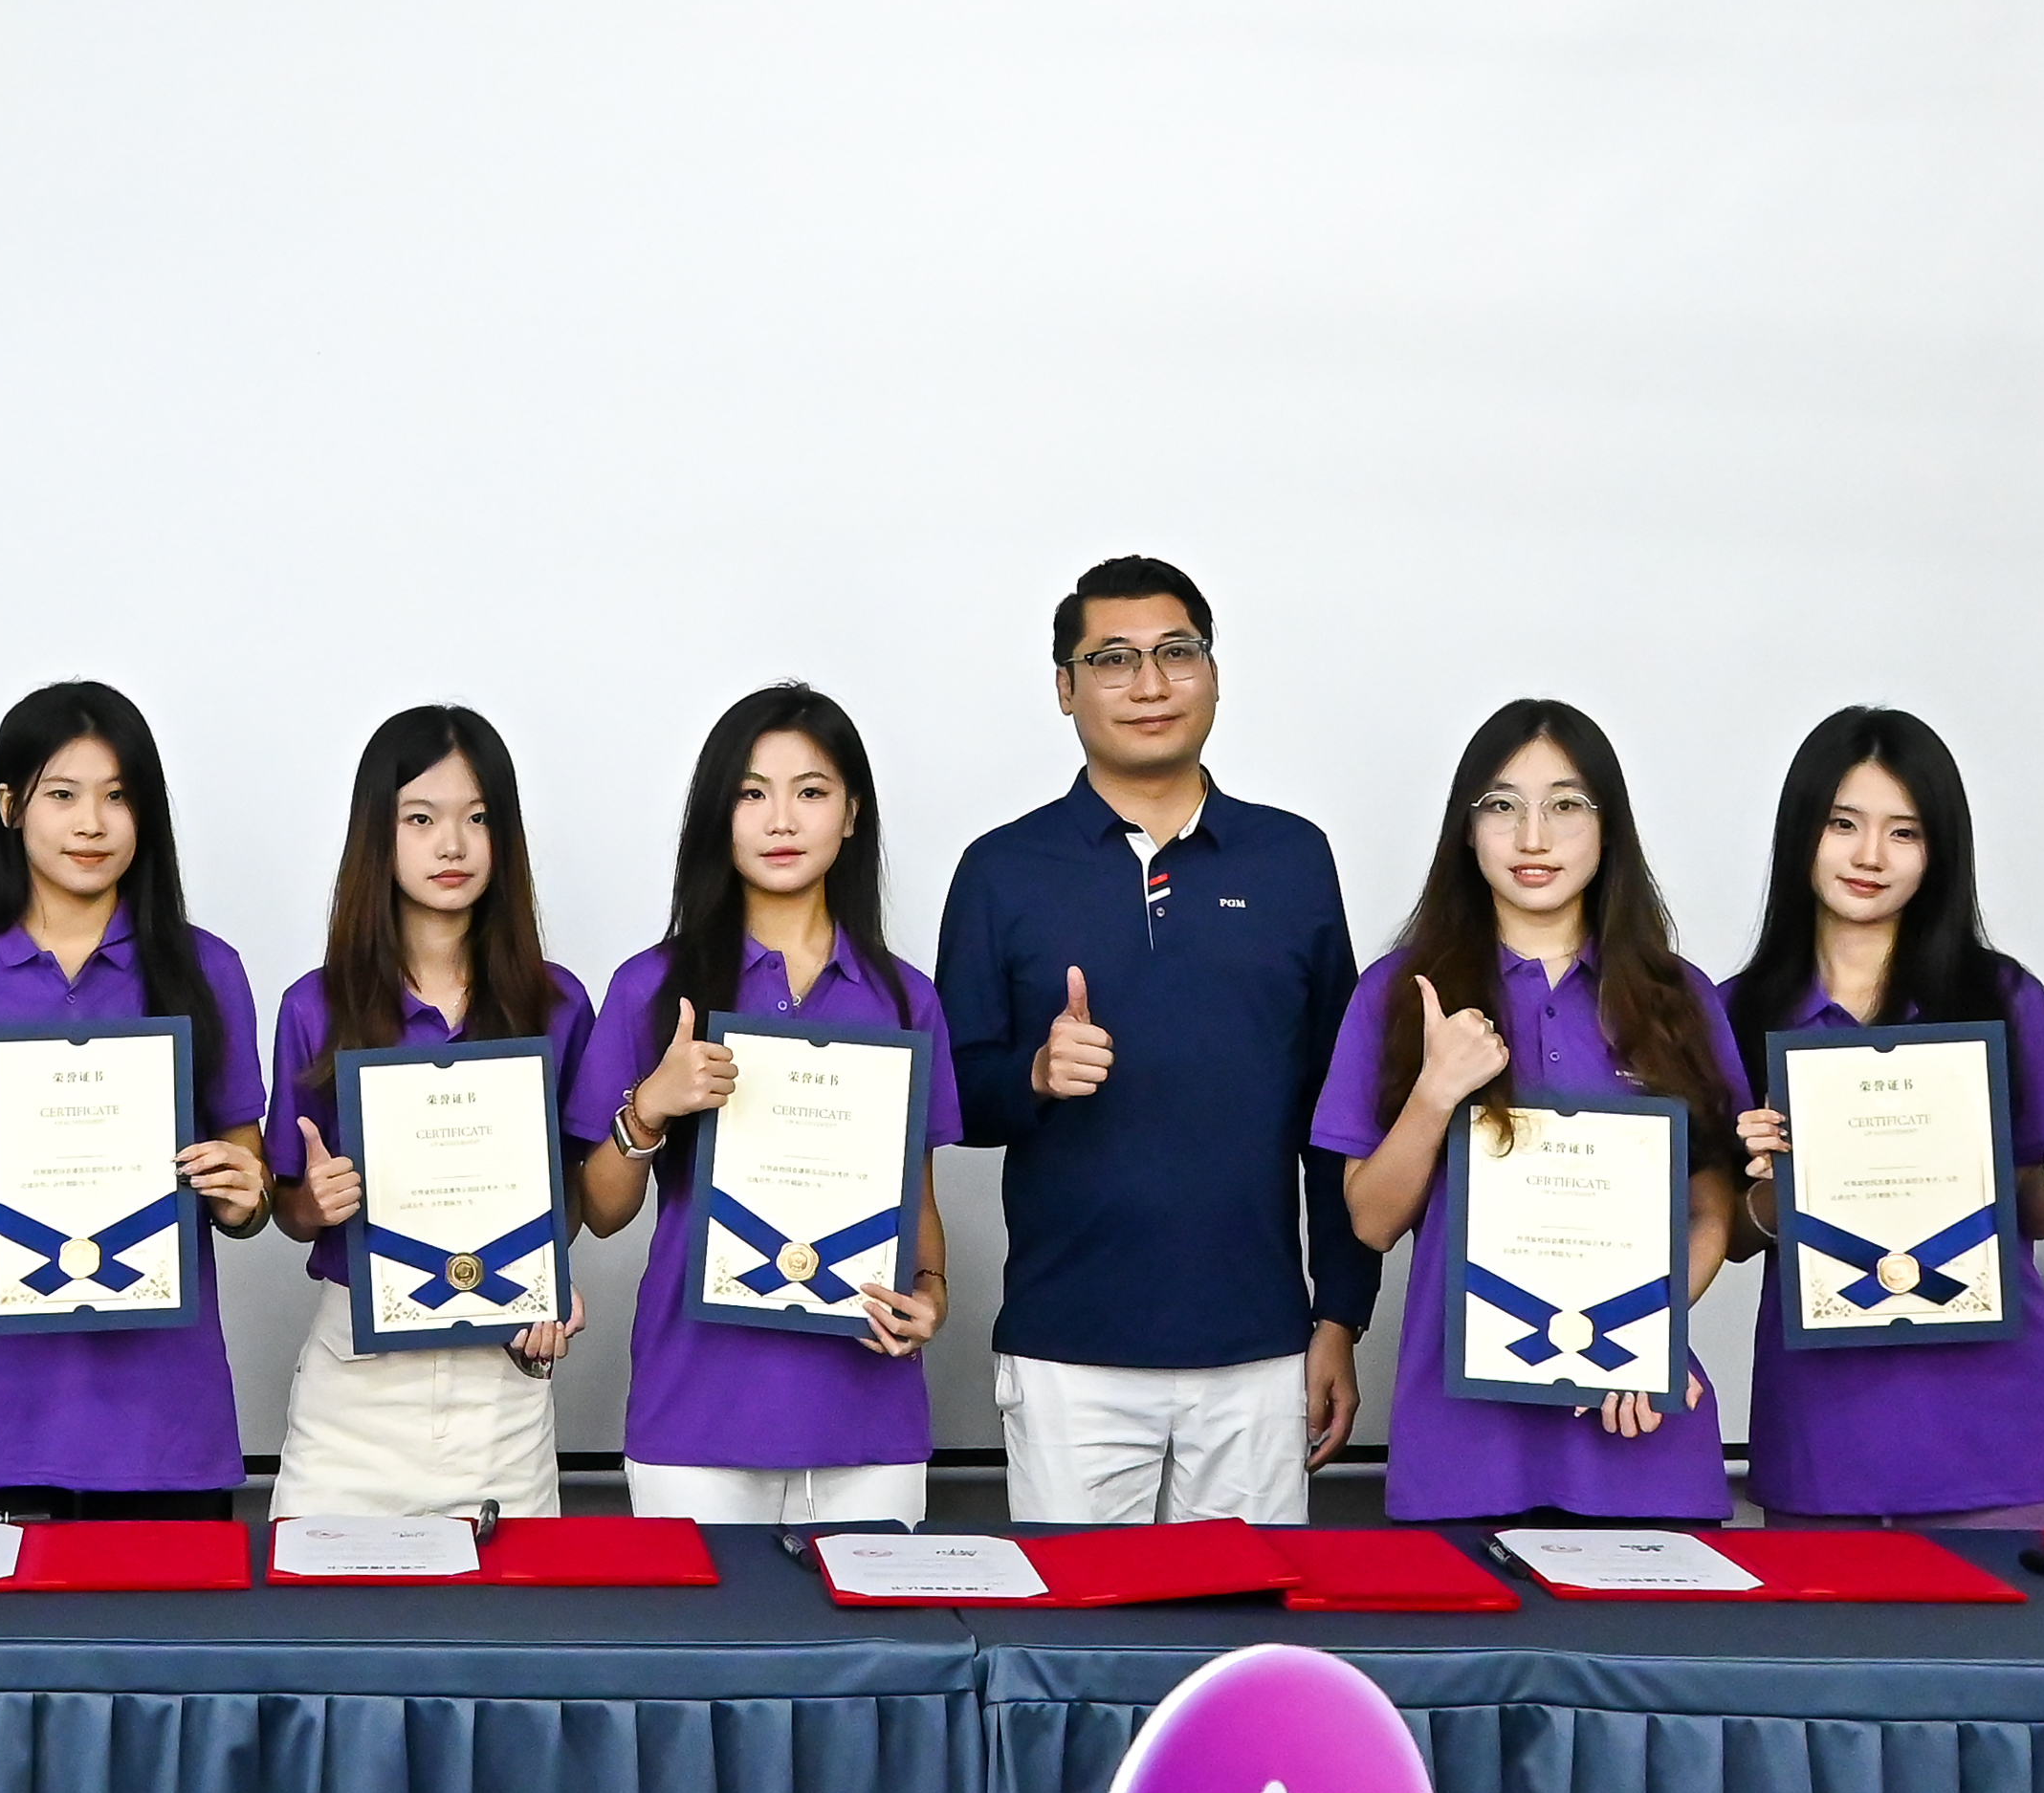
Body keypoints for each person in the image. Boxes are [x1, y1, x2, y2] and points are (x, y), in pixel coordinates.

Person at [934, 556, 1377, 1525]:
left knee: (1241, 1617)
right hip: (1067, 1350)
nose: (1148, 683)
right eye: (1112, 659)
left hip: (1259, 1347)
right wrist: (1035, 1074)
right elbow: (950, 1096)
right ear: (1065, 687)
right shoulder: (1001, 869)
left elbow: (1338, 1108)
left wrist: (1339, 1314)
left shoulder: (1292, 857)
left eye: (1176, 652)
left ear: (1212, 673)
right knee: (1078, 1622)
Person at [1314, 698, 1747, 1522]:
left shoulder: (1677, 997)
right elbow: (1369, 1221)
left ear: (1608, 827)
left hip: (1636, 1425)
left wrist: (1647, 1334)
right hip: (1462, 1443)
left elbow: (1711, 1209)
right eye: (1501, 806)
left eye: (1566, 805)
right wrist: (1436, 1090)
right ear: (1466, 828)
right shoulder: (1400, 993)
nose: (1533, 836)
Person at [1720, 707, 2044, 1525]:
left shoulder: (1998, 995)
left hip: (2001, 1426)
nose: (1869, 856)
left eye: (1903, 832)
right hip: (1823, 1434)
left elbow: (2032, 1214)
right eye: (1842, 823)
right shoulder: (1735, 1012)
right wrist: (1772, 1185)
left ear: (1937, 850)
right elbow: (1732, 1236)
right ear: (1801, 831)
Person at [567, 683, 963, 1525]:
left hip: (868, 1412)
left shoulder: (906, 999)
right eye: (751, 794)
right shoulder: (651, 987)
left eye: (810, 792)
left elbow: (917, 1198)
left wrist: (931, 1291)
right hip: (694, 1410)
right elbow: (600, 1211)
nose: (780, 820)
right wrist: (650, 1107)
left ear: (851, 813)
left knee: (879, 1620)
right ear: (718, 814)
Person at [0, 680, 267, 1519]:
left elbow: (250, 1180)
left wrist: (246, 1197)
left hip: (163, 1419)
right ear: (10, 806)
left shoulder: (208, 970)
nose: (91, 822)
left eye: (117, 796)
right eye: (62, 794)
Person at [265, 706, 594, 1519]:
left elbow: (575, 1190)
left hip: (499, 1383)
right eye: (420, 818)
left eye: (477, 818)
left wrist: (546, 1278)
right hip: (356, 1382)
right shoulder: (315, 1005)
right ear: (377, 835)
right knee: (322, 1597)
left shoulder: (556, 1004)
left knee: (511, 1602)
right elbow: (290, 1208)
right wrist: (315, 1203)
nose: (452, 844)